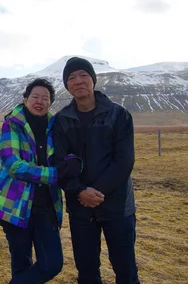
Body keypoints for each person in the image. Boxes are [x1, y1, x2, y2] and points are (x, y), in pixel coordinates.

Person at [53, 57, 140, 284]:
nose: (78, 81)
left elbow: (124, 161)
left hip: (117, 207)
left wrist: (94, 192)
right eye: (71, 78)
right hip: (80, 209)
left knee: (125, 269)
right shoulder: (61, 120)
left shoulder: (118, 115)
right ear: (66, 85)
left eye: (83, 75)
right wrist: (79, 191)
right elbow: (58, 163)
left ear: (93, 80)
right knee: (87, 270)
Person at [0, 78, 81, 284]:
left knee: (52, 263)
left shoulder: (56, 126)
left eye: (45, 98)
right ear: (26, 99)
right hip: (15, 205)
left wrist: (72, 160)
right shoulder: (12, 124)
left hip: (45, 206)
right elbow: (13, 165)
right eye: (35, 96)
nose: (40, 101)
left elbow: (66, 152)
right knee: (21, 264)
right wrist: (54, 174)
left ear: (50, 103)